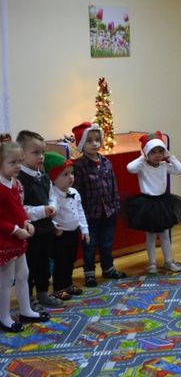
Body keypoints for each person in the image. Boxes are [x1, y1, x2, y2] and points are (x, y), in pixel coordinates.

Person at [0, 134, 50, 333]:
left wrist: (26, 222)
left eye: (19, 161)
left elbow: (18, 208)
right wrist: (15, 230)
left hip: (18, 238)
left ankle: (26, 310)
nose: (17, 166)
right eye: (12, 162)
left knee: (23, 274)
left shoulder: (15, 183)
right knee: (6, 280)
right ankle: (4, 317)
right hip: (5, 240)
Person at [125, 131, 181, 274]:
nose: (157, 155)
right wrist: (142, 157)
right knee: (151, 236)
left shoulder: (164, 166)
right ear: (146, 152)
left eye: (160, 152)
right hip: (147, 203)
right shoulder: (142, 166)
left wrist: (169, 156)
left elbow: (180, 170)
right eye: (153, 152)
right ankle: (152, 263)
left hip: (162, 203)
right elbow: (130, 168)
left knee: (165, 234)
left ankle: (168, 261)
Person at [72, 122, 126, 287]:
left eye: (97, 140)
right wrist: (81, 213)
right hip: (90, 213)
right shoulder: (79, 166)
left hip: (108, 211)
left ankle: (108, 268)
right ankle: (89, 273)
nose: (94, 144)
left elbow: (113, 185)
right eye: (89, 141)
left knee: (107, 242)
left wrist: (115, 204)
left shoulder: (106, 162)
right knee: (89, 245)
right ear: (82, 144)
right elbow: (77, 191)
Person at [16, 130, 64, 309]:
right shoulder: (19, 180)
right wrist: (42, 211)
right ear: (22, 155)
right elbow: (20, 209)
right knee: (29, 267)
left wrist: (52, 208)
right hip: (29, 232)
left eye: (42, 152)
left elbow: (52, 197)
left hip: (46, 229)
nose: (41, 156)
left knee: (44, 264)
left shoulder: (43, 176)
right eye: (35, 153)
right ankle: (27, 298)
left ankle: (43, 293)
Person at [44, 152, 89, 300]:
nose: (70, 177)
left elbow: (80, 211)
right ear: (53, 178)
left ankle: (68, 284)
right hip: (61, 234)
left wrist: (84, 229)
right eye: (65, 174)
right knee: (60, 262)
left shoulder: (74, 192)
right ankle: (58, 288)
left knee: (70, 260)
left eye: (72, 173)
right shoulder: (53, 195)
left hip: (73, 233)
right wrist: (54, 225)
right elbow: (50, 214)